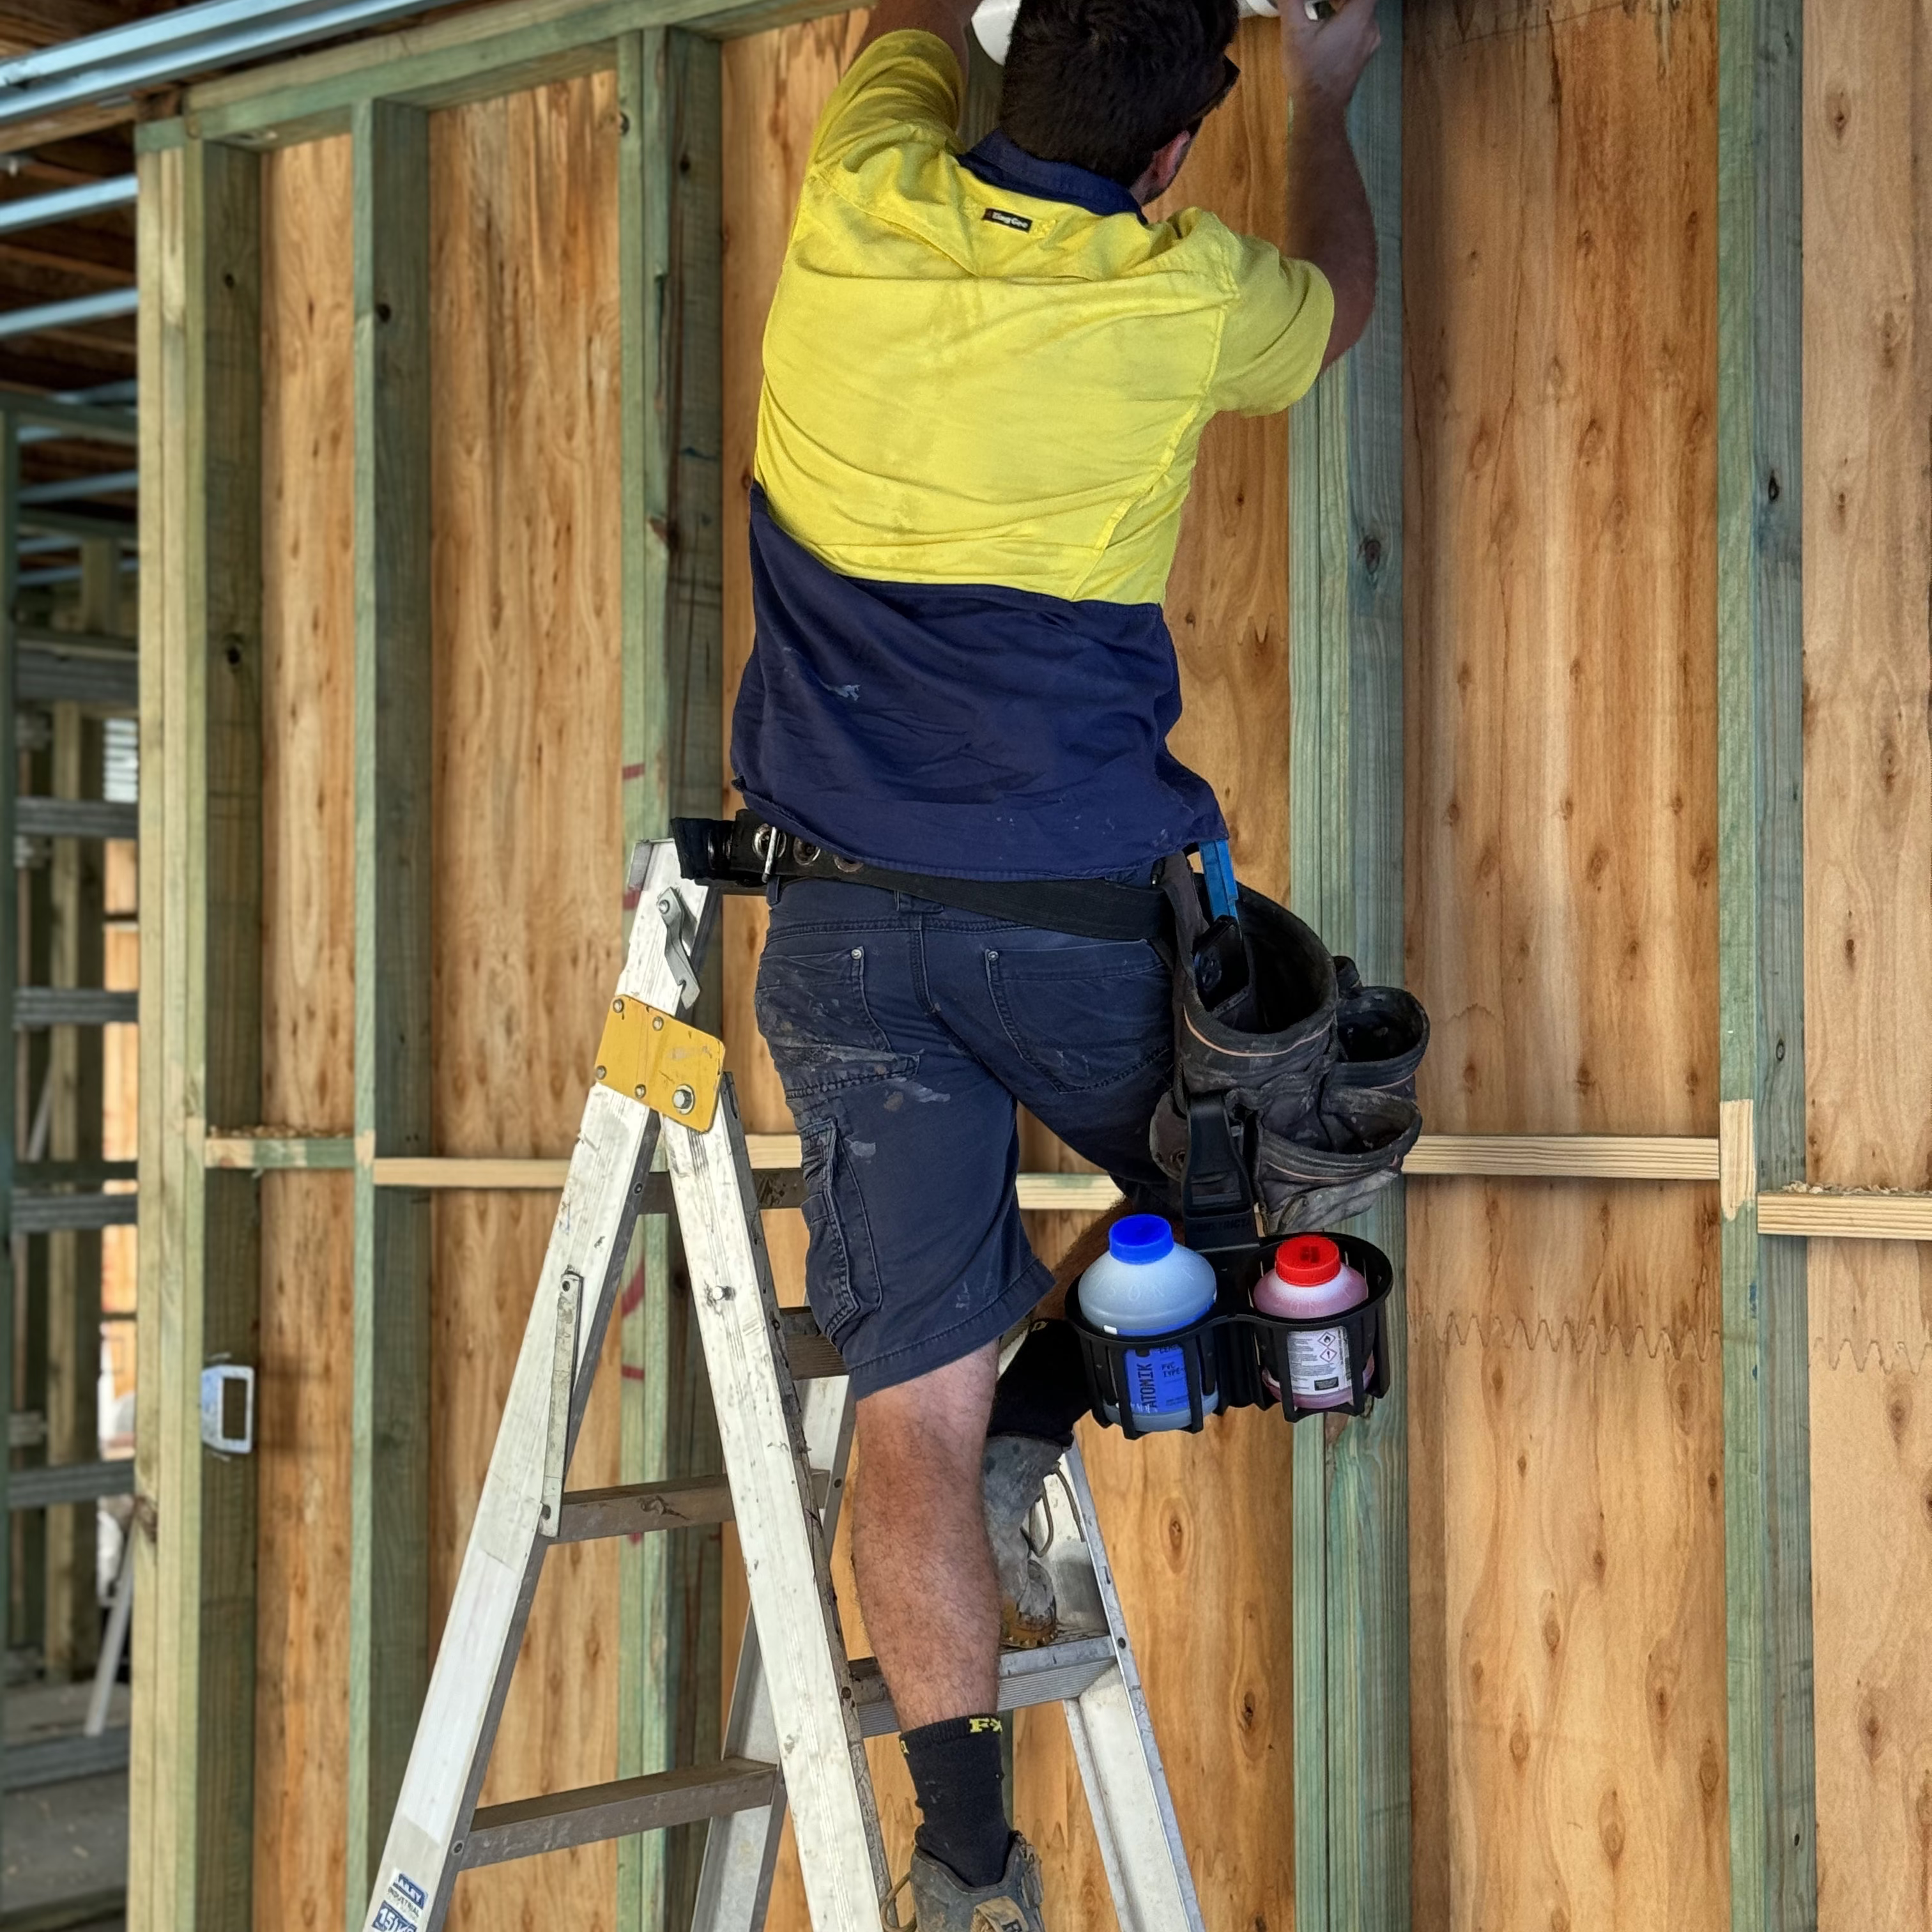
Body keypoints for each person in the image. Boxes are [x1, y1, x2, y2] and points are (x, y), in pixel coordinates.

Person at [730, 0, 1381, 1920]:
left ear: (997, 79)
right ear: (1174, 161)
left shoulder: (863, 186)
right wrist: (1325, 93)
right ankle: (1043, 1407)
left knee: (901, 1418)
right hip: (1072, 920)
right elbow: (1340, 304)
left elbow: (901, 20)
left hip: (842, 924)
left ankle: (968, 1870)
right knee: (1282, 1176)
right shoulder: (1186, 292)